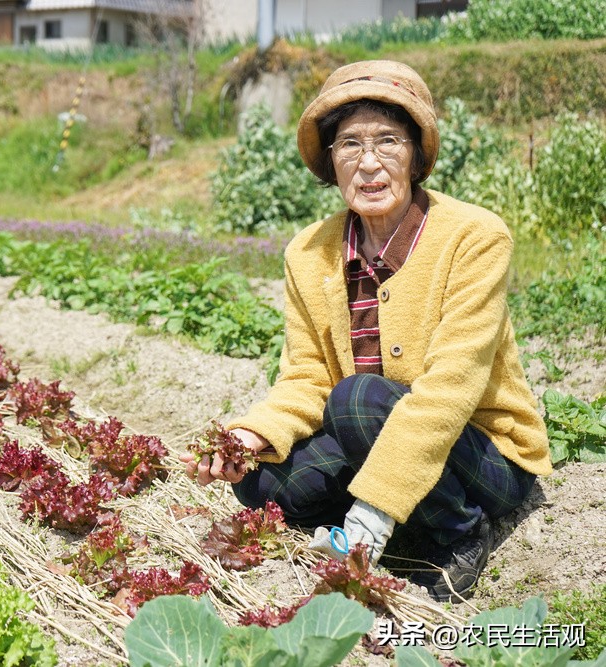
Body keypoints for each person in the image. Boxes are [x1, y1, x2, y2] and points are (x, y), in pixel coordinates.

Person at [180, 60, 552, 602]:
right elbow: (307, 377)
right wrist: (251, 433)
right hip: (375, 432)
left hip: (480, 451)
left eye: (388, 141)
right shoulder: (308, 253)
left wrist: (372, 515)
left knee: (356, 400)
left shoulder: (474, 237)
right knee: (259, 481)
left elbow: (452, 387)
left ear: (418, 154)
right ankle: (403, 505)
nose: (370, 163)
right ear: (331, 161)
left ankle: (458, 530)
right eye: (350, 144)